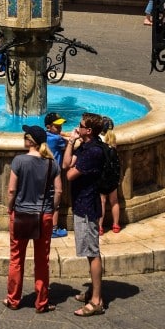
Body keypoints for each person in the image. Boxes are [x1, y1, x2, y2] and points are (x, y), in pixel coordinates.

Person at [3, 125, 61, 313]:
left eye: (25, 136)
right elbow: (58, 191)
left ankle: (13, 300)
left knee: (16, 259)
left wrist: (9, 207)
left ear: (30, 141)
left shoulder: (19, 161)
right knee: (42, 260)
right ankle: (42, 302)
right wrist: (53, 209)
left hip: (21, 215)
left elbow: (12, 190)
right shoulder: (52, 163)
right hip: (43, 215)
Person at [63, 113, 105, 316]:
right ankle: (92, 292)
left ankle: (96, 301)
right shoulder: (87, 146)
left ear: (88, 130)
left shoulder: (94, 152)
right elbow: (66, 164)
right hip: (82, 204)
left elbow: (70, 174)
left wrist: (73, 152)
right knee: (89, 252)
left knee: (92, 253)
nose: (76, 127)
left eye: (80, 125)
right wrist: (71, 142)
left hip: (87, 206)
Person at [44, 112, 67, 238]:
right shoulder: (57, 139)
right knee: (55, 202)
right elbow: (69, 144)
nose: (60, 129)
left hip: (43, 172)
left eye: (60, 126)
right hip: (54, 174)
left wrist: (61, 134)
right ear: (48, 127)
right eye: (57, 126)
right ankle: (53, 229)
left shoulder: (45, 136)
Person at [99, 118, 121, 234]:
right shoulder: (113, 139)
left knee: (102, 201)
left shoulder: (100, 140)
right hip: (113, 175)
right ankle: (116, 225)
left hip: (102, 176)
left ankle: (100, 227)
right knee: (114, 200)